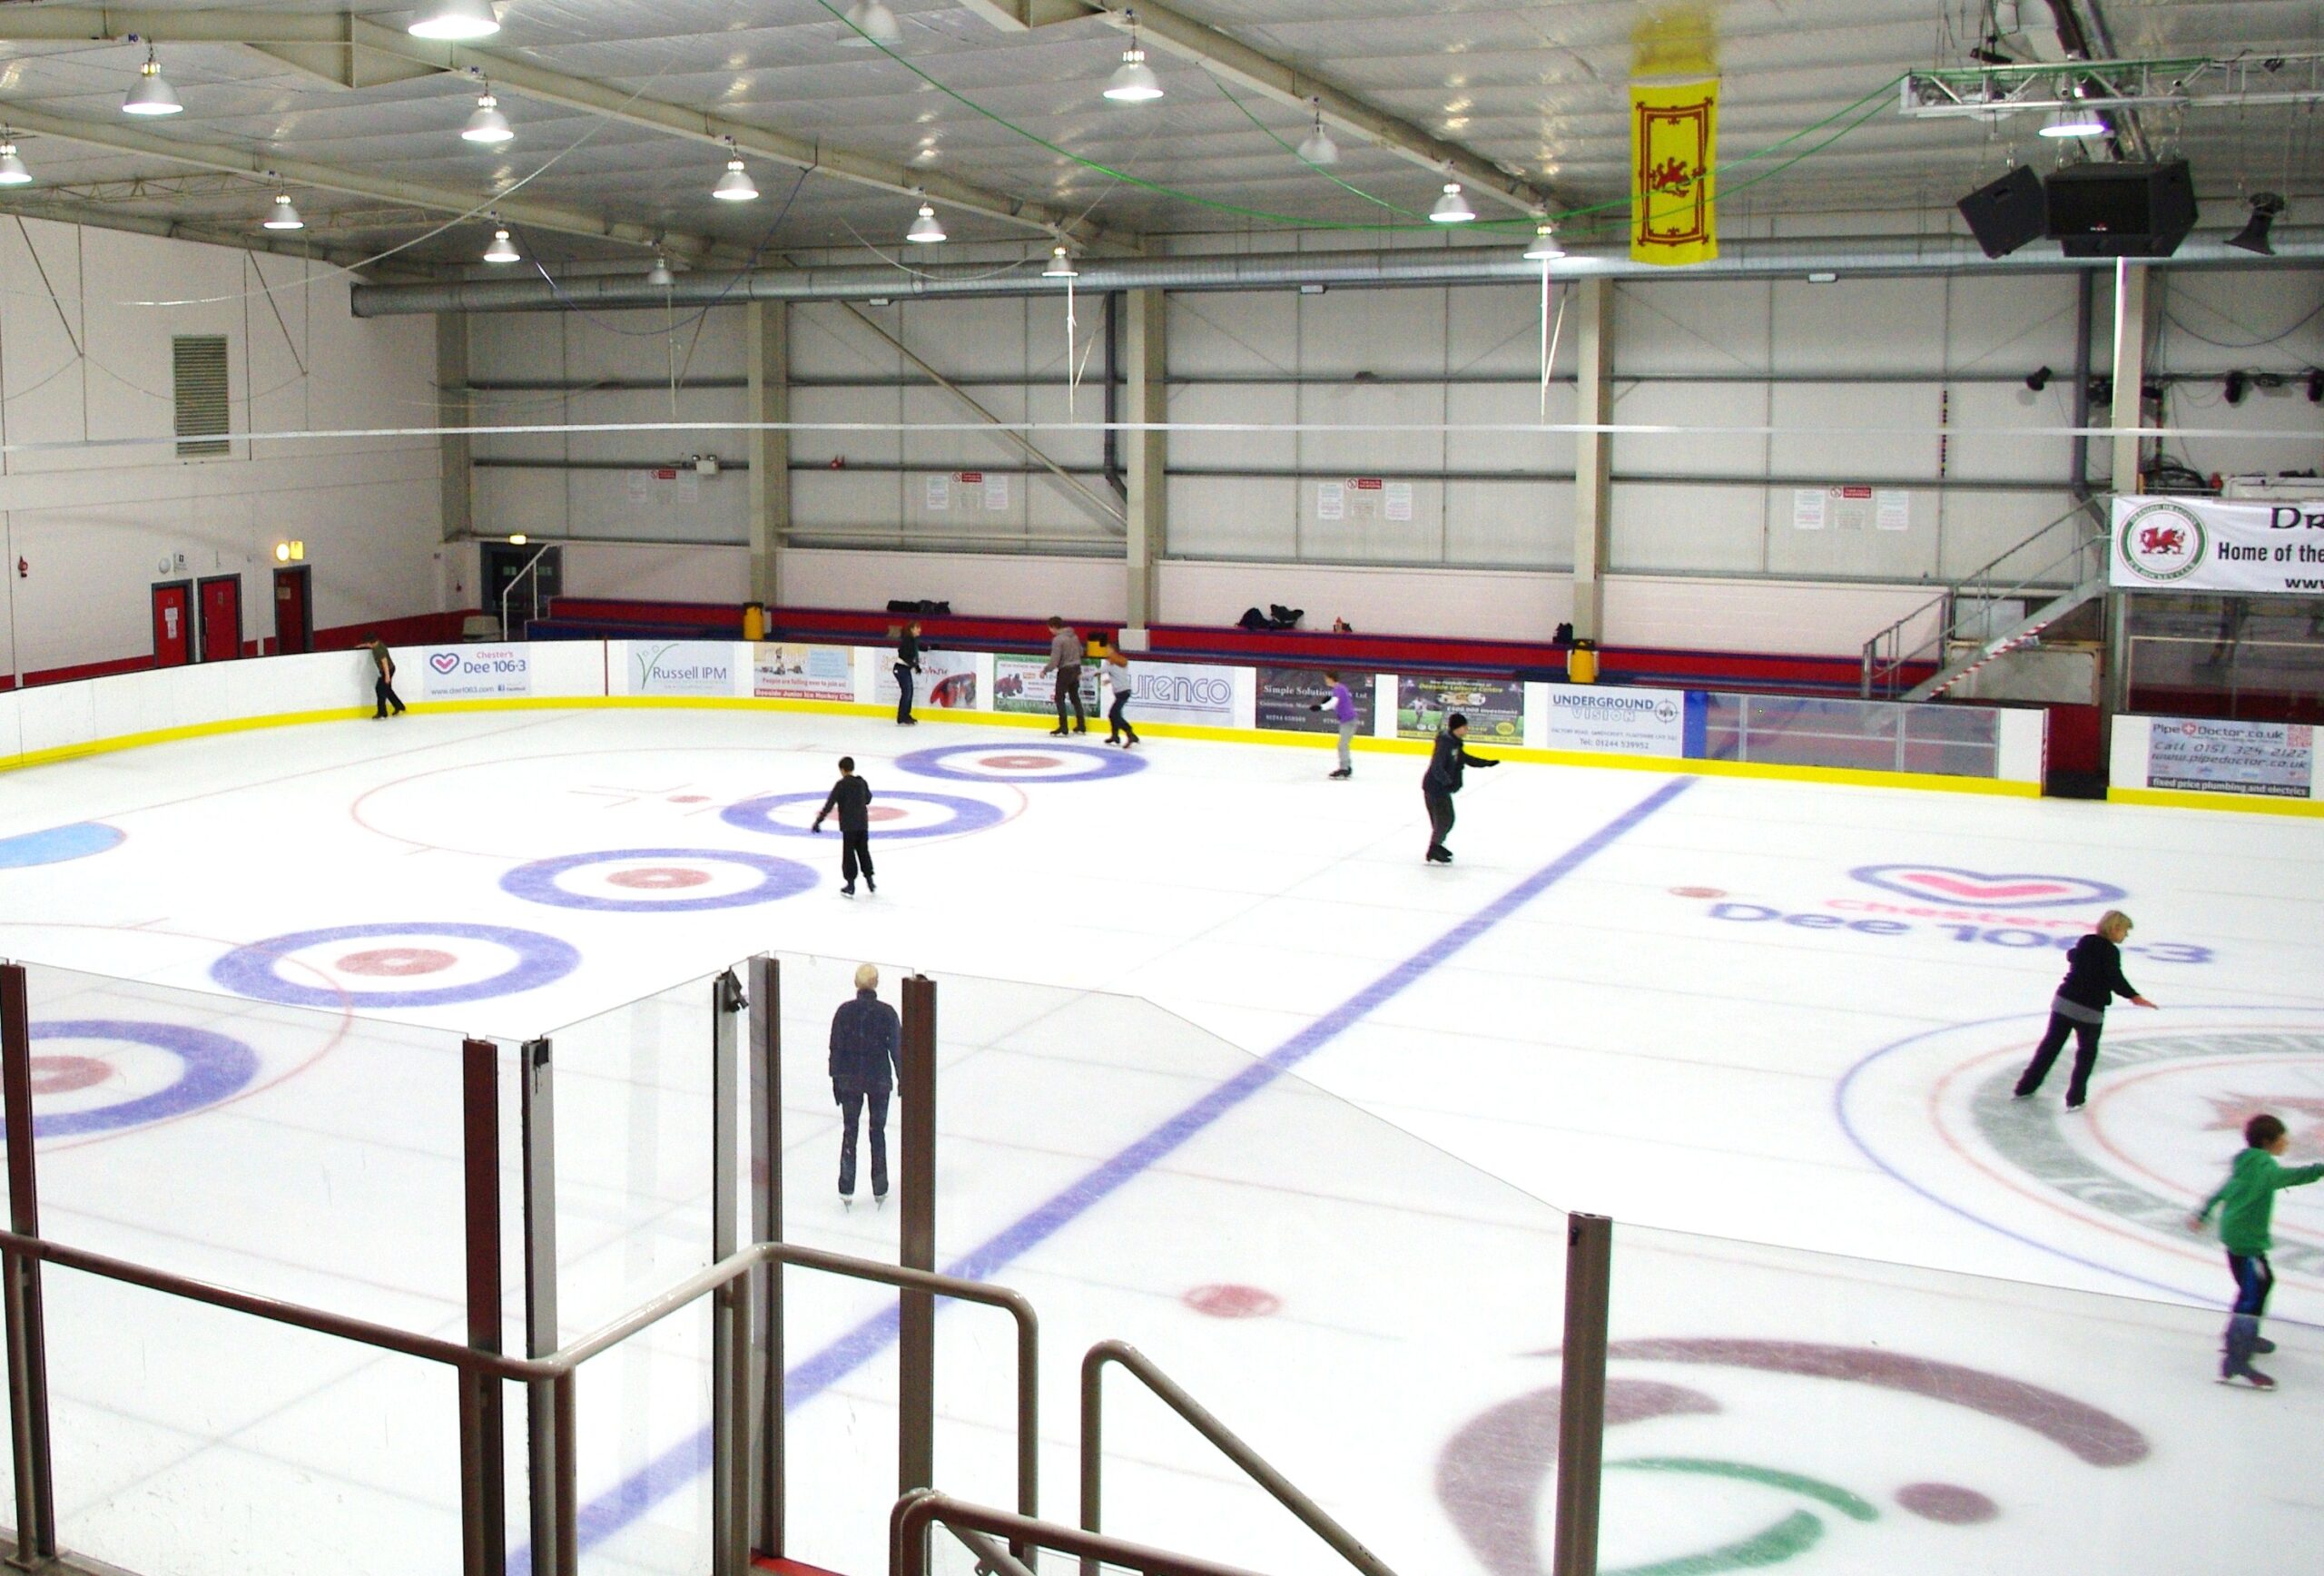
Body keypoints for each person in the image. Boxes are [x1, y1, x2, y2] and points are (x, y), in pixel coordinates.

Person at [2190, 1113, 2324, 1388]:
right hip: (2247, 1241)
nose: (2287, 1143)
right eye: (2282, 1139)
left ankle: (2239, 1337)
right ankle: (2237, 1359)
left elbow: (2223, 1190)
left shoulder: (2246, 1163)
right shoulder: (2264, 1167)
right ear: (2267, 1141)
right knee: (2252, 1293)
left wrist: (2203, 1213)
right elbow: (2292, 1176)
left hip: (2236, 1235)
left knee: (2260, 1284)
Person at [2011, 911, 2155, 1109]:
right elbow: (2115, 979)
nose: (2126, 936)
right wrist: (2134, 996)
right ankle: (2075, 1098)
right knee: (2086, 1055)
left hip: (2064, 1002)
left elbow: (2073, 955)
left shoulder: (2086, 941)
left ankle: (2024, 1088)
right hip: (2089, 1011)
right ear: (2114, 928)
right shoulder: (2111, 952)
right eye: (2125, 931)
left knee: (2050, 1047)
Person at [828, 963, 903, 1207]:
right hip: (878, 1080)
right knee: (877, 1132)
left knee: (850, 1132)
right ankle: (879, 1187)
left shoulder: (844, 1012)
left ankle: (846, 1187)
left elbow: (835, 1050)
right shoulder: (887, 1013)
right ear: (877, 983)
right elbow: (897, 1050)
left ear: (855, 983)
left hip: (850, 1081)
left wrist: (836, 1081)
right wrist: (903, 1079)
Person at [1423, 712, 1499, 863]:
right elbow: (1437, 766)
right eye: (1464, 727)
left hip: (1440, 787)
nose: (1467, 730)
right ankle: (1434, 848)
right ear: (1457, 728)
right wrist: (1447, 781)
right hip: (1435, 787)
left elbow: (1465, 758)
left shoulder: (1454, 743)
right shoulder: (1446, 743)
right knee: (1445, 820)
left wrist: (1486, 763)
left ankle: (1436, 845)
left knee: (1446, 820)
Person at [811, 755, 876, 897]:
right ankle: (870, 881)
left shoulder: (841, 785)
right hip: (862, 824)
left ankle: (851, 885)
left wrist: (818, 821)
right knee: (863, 851)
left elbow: (830, 804)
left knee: (849, 854)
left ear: (842, 770)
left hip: (849, 826)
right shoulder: (861, 782)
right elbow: (868, 799)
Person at [1042, 616, 1086, 736]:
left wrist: (1045, 670)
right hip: (1076, 669)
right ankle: (1081, 725)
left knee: (1059, 698)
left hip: (1065, 670)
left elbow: (1054, 660)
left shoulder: (1058, 640)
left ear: (1053, 627)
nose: (1050, 631)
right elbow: (1081, 652)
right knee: (1075, 697)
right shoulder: (1074, 636)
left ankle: (1063, 727)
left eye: (1050, 628)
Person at [1310, 671, 1356, 779]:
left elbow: (1334, 703)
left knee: (1342, 745)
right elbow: (1336, 702)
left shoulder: (1338, 689)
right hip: (1347, 720)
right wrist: (1326, 704)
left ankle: (1344, 768)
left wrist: (1320, 707)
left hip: (1348, 721)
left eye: (1326, 678)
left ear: (1331, 678)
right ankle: (1347, 767)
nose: (1325, 681)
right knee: (1343, 745)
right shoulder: (1340, 688)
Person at [1102, 637, 1139, 747]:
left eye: (1108, 648)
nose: (1106, 650)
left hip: (1123, 693)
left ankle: (1129, 733)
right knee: (1115, 714)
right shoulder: (1119, 661)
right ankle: (1115, 735)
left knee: (1113, 714)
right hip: (1123, 692)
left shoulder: (1112, 661)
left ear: (1113, 650)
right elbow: (1119, 675)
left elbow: (1099, 671)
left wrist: (1081, 676)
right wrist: (1110, 680)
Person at [366, 636, 405, 720]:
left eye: (368, 644)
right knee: (387, 690)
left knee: (380, 689)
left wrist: (387, 676)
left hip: (387, 670)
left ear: (371, 643)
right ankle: (399, 706)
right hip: (390, 668)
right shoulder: (378, 643)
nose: (368, 646)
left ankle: (382, 713)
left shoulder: (378, 650)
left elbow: (384, 662)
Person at [893, 620, 923, 725]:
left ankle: (905, 715)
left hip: (905, 669)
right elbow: (903, 654)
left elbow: (914, 655)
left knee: (909, 692)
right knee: (907, 692)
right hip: (900, 668)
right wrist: (914, 665)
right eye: (917, 628)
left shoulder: (913, 640)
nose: (919, 630)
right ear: (911, 629)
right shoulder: (907, 640)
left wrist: (916, 666)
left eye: (920, 628)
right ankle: (902, 717)